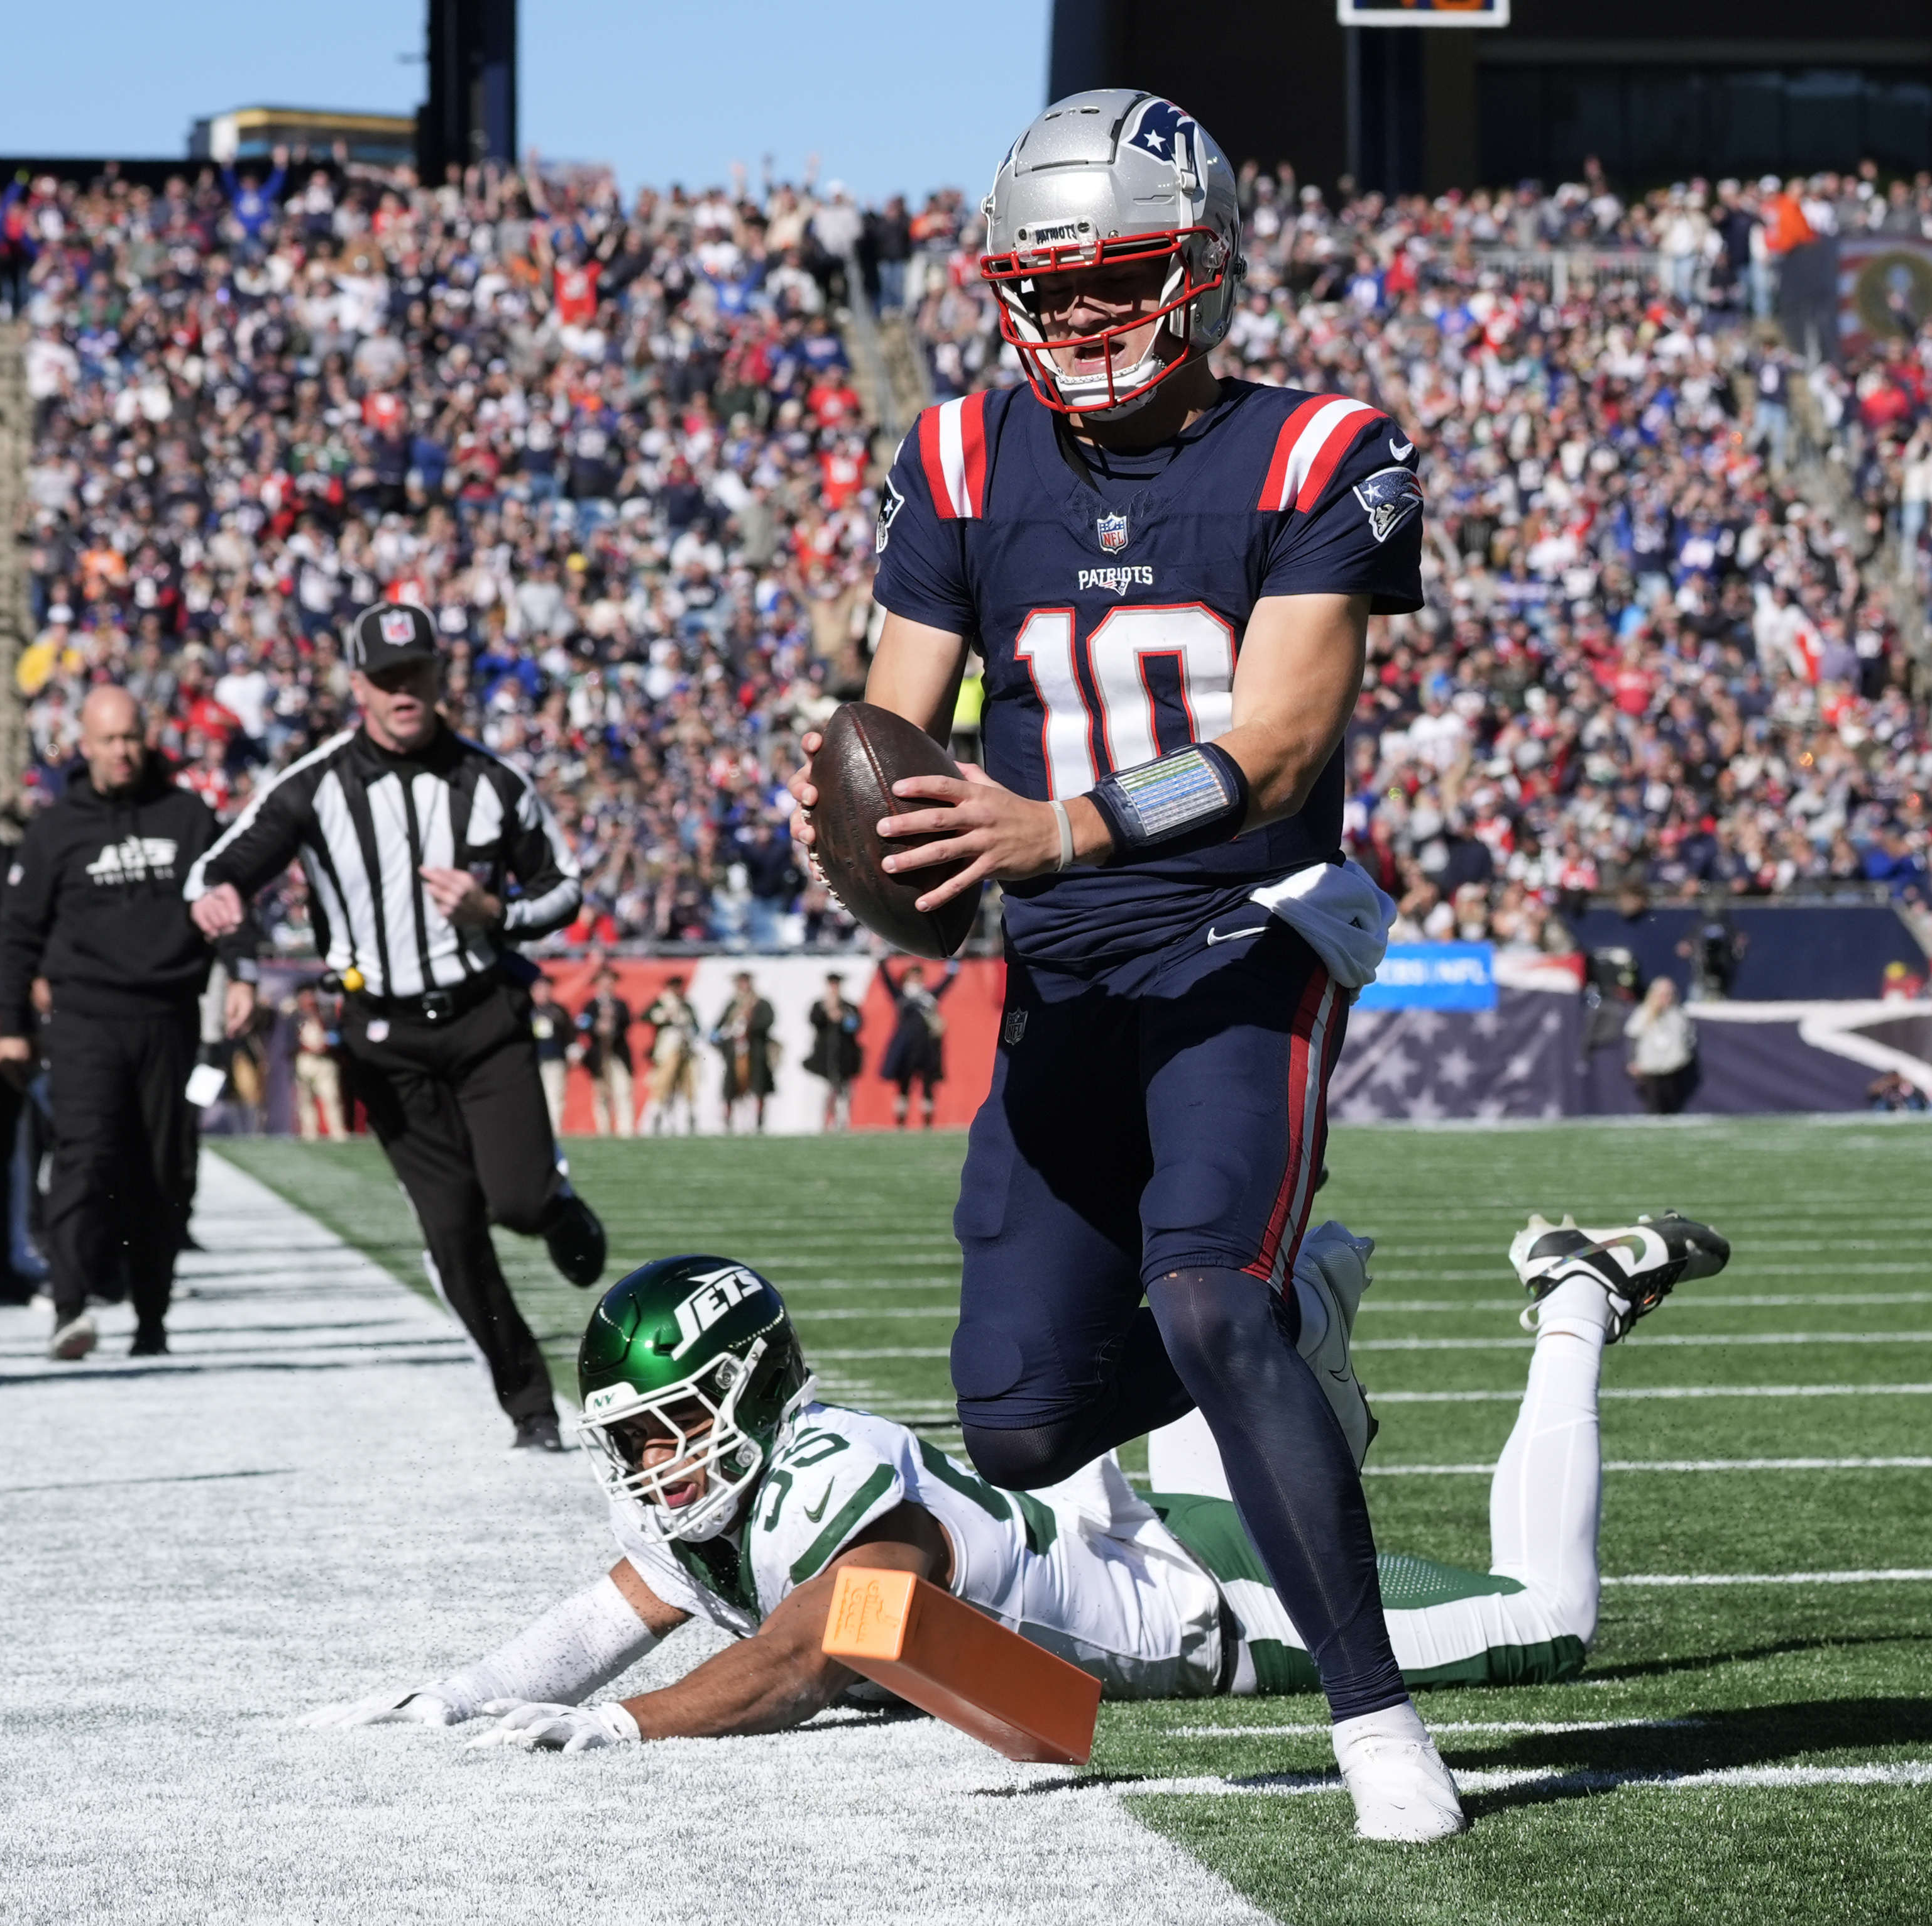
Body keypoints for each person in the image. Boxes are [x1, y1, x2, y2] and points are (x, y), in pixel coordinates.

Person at [787, 92, 1459, 1838]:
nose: (1079, 322)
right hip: (1061, 970)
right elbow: (896, 711)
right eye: (1048, 287)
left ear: (1206, 268)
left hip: (1244, 938)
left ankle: (1373, 1718)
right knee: (1016, 1424)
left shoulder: (1323, 450)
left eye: (1120, 281)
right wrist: (870, 818)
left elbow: (1284, 741)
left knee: (1201, 1295)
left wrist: (1053, 827)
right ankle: (1298, 1310)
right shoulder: (951, 458)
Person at [299, 1208, 1726, 1766]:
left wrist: (619, 1723)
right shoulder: (715, 1500)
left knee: (1548, 1615)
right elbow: (613, 1604)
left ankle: (1575, 1298)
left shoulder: (827, 1467)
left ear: (739, 1393)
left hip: (1209, 1602)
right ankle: (1304, 1317)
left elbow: (817, 1643)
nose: (648, 1462)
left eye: (667, 1424)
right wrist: (465, 1689)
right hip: (1124, 1530)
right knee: (1241, 1405)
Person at [184, 602, 609, 1450]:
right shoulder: (316, 783)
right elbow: (218, 862)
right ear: (357, 686)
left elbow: (564, 890)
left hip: (484, 1019)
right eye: (385, 678)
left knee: (518, 1198)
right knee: (450, 1231)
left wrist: (499, 911)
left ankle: (555, 1208)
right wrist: (218, 899)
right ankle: (528, 1404)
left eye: (415, 674)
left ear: (440, 678)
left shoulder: (492, 781)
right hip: (384, 1041)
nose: (402, 692)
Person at [0, 687, 254, 1361]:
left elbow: (225, 897)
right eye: (107, 740)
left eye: (131, 737)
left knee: (162, 1170)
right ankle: (72, 1305)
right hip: (84, 1019)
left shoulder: (187, 814)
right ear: (84, 744)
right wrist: (12, 1024)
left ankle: (152, 1317)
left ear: (149, 736)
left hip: (167, 1015)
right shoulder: (56, 827)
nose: (121, 752)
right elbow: (18, 934)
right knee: (83, 1160)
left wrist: (242, 971)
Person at [872, 955, 945, 1129]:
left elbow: (947, 982)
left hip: (926, 1047)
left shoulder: (929, 997)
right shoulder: (901, 996)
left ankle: (927, 1122)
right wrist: (880, 959)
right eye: (912, 975)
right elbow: (887, 980)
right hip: (906, 1047)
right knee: (904, 1085)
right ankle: (901, 1123)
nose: (916, 979)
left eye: (918, 975)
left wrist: (955, 962)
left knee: (928, 1086)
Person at [576, 965, 637, 1135]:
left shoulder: (620, 1004)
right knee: (601, 1093)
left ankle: (626, 1130)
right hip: (599, 1054)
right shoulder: (590, 1005)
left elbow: (627, 1022)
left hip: (617, 1053)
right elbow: (582, 1024)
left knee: (623, 1090)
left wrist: (613, 1022)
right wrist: (596, 1027)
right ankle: (604, 1130)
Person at [1623, 977, 1698, 1115]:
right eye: (1662, 995)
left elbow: (1689, 1039)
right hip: (1650, 1069)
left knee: (1672, 1106)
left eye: (1669, 995)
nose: (1666, 998)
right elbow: (1633, 1036)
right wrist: (1632, 1060)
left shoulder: (1678, 1015)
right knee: (1654, 1107)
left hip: (1673, 1067)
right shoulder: (1643, 1013)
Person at [711, 971, 772, 1135]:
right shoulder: (732, 1005)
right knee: (730, 1084)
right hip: (735, 1052)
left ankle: (759, 1120)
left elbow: (768, 1021)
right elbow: (717, 1027)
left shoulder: (760, 1003)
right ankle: (728, 1120)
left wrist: (751, 1023)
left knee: (759, 1085)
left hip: (755, 1051)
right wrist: (717, 1039)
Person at [643, 982, 703, 1136]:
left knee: (689, 1085)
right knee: (663, 1083)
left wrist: (685, 1026)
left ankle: (691, 1118)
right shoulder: (662, 1003)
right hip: (667, 1052)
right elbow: (645, 1016)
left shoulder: (686, 1006)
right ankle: (657, 1117)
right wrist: (664, 1015)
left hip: (685, 1051)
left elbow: (696, 1027)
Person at [805, 974, 863, 1130]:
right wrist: (828, 1011)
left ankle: (843, 1123)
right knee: (824, 1093)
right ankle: (823, 1123)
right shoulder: (819, 1005)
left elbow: (855, 1026)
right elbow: (814, 1021)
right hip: (824, 1057)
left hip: (844, 1057)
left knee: (845, 1093)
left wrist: (842, 1016)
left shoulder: (849, 1007)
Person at [290, 987, 345, 1138]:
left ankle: (338, 1133)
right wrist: (305, 1047)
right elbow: (289, 1042)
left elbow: (337, 1037)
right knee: (305, 1101)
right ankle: (310, 1135)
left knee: (331, 1097)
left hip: (324, 1061)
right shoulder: (295, 1018)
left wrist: (325, 1045)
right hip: (305, 1060)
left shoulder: (327, 1016)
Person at [528, 977, 571, 1132]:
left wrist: (571, 1050)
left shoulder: (558, 1011)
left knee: (555, 1095)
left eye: (545, 988)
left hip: (555, 1058)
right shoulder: (526, 1010)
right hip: (531, 1060)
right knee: (534, 1097)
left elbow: (569, 1034)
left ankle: (555, 1130)